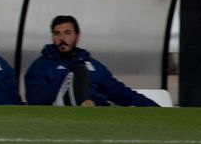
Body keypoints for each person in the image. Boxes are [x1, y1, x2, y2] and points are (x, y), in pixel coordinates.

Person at [24, 15, 159, 107]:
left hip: (98, 116)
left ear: (77, 36)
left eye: (67, 33)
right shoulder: (40, 66)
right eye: (57, 33)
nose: (62, 38)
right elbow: (35, 102)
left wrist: (156, 108)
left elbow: (120, 93)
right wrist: (66, 78)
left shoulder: (93, 65)